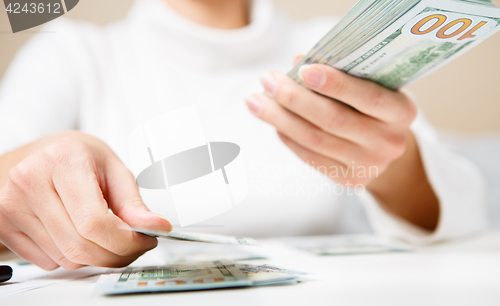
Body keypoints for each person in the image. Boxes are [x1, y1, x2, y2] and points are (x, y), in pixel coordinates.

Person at [0, 0, 487, 270]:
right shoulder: (73, 52)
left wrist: (389, 165)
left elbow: (462, 217)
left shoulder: (328, 49)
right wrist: (33, 165)